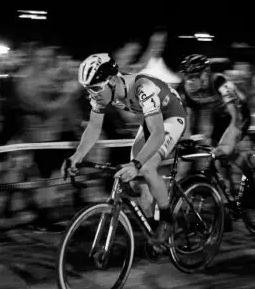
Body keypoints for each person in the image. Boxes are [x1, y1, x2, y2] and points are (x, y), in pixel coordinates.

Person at [64, 53, 187, 244]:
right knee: (138, 184)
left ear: (112, 80)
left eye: (95, 89)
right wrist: (77, 155)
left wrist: (136, 164)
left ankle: (168, 220)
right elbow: (94, 127)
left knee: (146, 167)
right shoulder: (103, 94)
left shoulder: (142, 87)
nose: (92, 95)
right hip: (151, 119)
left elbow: (158, 135)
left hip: (171, 117)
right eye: (88, 90)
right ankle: (154, 230)